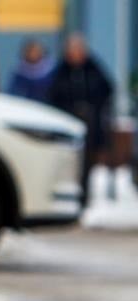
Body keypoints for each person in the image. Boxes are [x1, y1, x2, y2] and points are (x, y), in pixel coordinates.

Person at [48, 33, 114, 205]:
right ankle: (65, 196)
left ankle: (84, 197)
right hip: (67, 123)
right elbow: (53, 95)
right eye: (72, 50)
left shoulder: (93, 68)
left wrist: (92, 107)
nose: (76, 54)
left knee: (86, 162)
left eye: (79, 49)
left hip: (89, 124)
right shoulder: (61, 71)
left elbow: (107, 89)